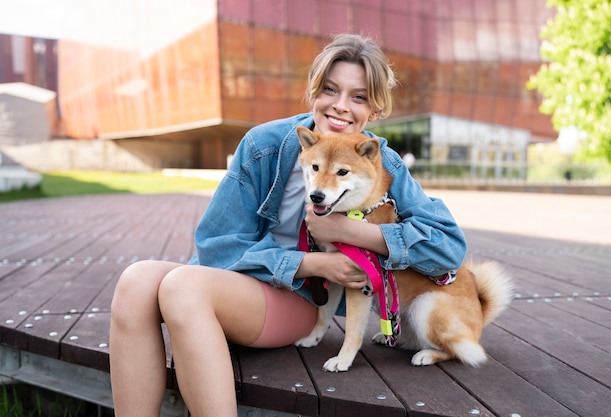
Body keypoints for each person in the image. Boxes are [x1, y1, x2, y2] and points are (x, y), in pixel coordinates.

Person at [109, 33, 466, 417]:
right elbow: (216, 247)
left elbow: (448, 247)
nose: (340, 107)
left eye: (358, 97)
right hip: (247, 280)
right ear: (314, 89)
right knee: (135, 280)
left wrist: (354, 233)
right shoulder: (263, 144)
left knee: (182, 286)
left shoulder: (380, 162)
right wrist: (311, 263)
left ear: (375, 110)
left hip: (300, 299)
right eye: (330, 89)